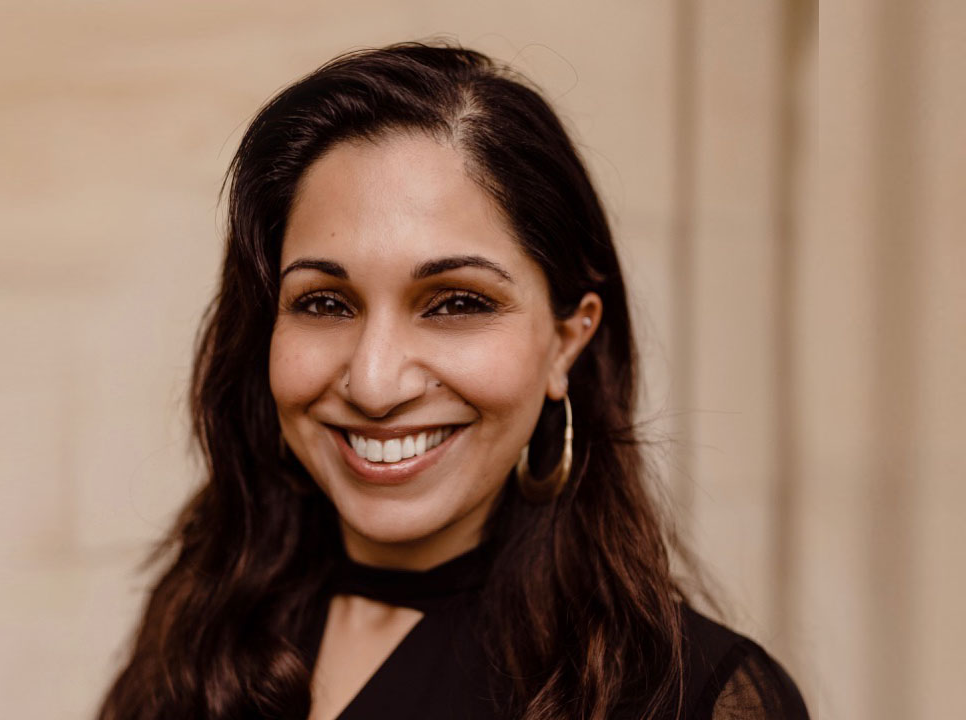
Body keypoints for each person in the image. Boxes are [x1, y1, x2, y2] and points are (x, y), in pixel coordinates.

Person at [97, 41, 809, 720]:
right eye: (323, 303)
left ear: (567, 339)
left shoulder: (689, 699)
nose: (375, 384)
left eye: (457, 303)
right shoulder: (200, 630)